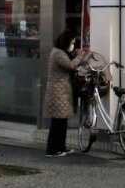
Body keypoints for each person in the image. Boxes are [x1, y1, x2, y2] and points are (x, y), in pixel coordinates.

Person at [43, 28, 87, 156]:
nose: (73, 44)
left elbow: (68, 61)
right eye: (72, 42)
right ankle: (52, 149)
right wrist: (80, 56)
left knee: (62, 120)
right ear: (66, 41)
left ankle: (61, 147)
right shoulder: (58, 54)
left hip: (61, 91)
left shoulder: (60, 52)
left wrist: (74, 54)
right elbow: (71, 65)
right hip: (58, 91)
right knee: (57, 121)